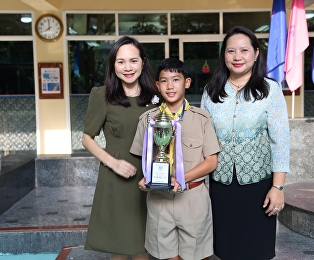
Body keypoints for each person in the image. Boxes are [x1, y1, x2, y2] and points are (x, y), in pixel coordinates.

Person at [200, 26, 290, 260]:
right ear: (224, 55)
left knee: (257, 249)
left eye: (244, 50)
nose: (237, 57)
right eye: (231, 51)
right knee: (225, 249)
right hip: (220, 186)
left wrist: (278, 188)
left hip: (259, 186)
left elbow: (280, 140)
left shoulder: (270, 90)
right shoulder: (211, 92)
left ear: (256, 53)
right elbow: (203, 141)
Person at [130, 58, 220, 260]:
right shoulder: (147, 120)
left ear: (187, 82)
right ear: (157, 85)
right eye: (164, 81)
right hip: (159, 200)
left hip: (192, 198)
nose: (170, 86)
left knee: (197, 256)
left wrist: (181, 178)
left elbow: (211, 162)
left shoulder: (202, 119)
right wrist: (146, 178)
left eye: (176, 79)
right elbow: (141, 158)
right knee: (168, 256)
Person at [82, 36, 160, 260]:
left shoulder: (156, 96)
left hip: (150, 176)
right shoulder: (102, 95)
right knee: (120, 244)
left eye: (133, 61)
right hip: (117, 175)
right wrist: (113, 163)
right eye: (121, 61)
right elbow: (87, 138)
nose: (128, 67)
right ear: (113, 65)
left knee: (142, 245)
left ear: (143, 62)